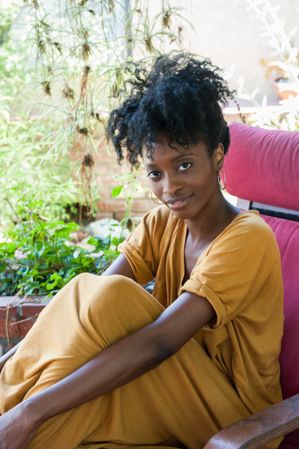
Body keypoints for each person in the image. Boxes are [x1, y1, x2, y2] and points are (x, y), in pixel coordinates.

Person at [0, 53, 283, 449]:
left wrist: (30, 411)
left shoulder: (247, 237)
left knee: (114, 301)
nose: (169, 188)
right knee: (91, 295)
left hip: (234, 418)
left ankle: (16, 415)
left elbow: (160, 341)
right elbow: (88, 309)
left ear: (218, 155)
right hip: (168, 388)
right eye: (155, 172)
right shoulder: (162, 222)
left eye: (184, 165)